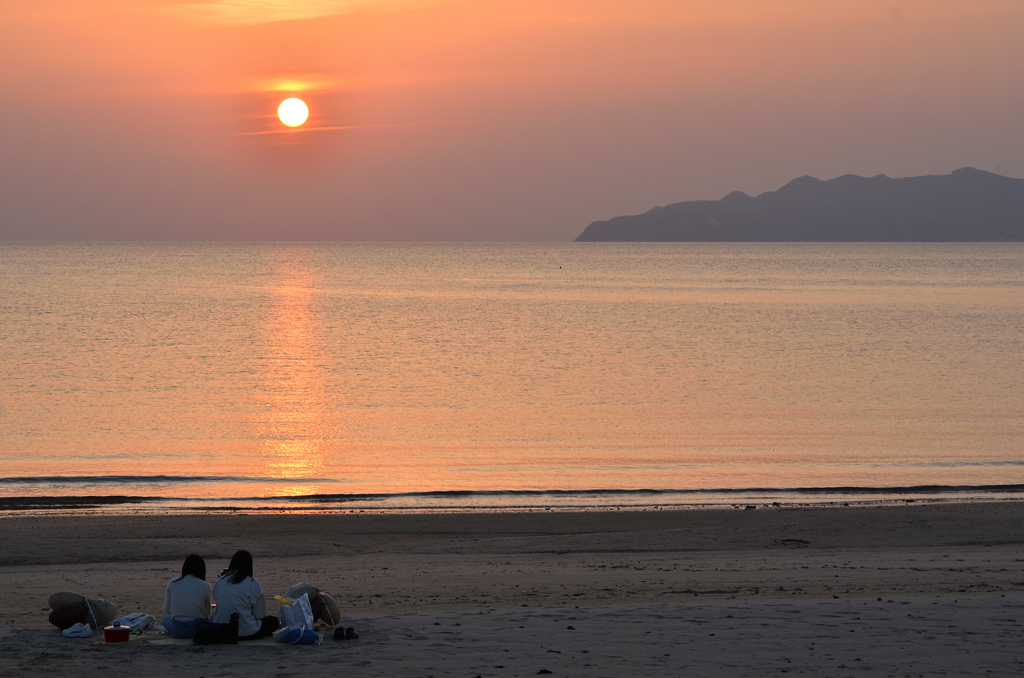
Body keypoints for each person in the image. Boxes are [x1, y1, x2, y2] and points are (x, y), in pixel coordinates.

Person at [210, 550, 279, 640]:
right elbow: (259, 615)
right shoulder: (252, 582)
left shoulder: (221, 581)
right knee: (273, 622)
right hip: (246, 632)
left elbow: (219, 602)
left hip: (221, 629)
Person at [162, 554, 213, 639]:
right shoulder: (206, 586)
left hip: (177, 631)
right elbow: (207, 613)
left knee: (165, 618)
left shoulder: (173, 582)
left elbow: (167, 610)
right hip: (198, 630)